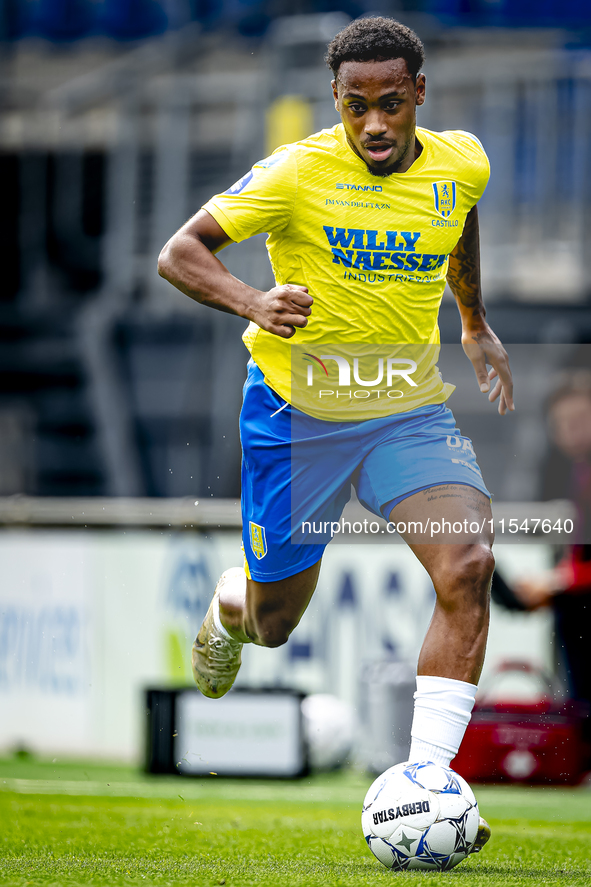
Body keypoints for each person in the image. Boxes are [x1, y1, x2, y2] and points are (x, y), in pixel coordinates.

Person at [158, 17, 514, 850]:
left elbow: (457, 217)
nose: (375, 125)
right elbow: (181, 252)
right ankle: (229, 603)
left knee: (468, 563)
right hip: (297, 416)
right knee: (276, 621)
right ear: (336, 101)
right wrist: (252, 301)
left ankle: (427, 780)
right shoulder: (295, 172)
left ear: (418, 93)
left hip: (404, 409)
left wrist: (472, 319)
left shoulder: (462, 160)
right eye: (357, 108)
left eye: (391, 104)